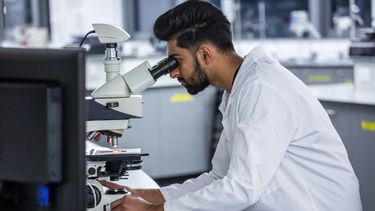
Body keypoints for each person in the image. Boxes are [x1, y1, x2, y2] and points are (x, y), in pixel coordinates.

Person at [100, 0, 362, 210]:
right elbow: (219, 177)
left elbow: (242, 188)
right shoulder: (239, 88)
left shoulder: (262, 88)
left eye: (175, 61)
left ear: (205, 54)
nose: (172, 73)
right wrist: (150, 196)